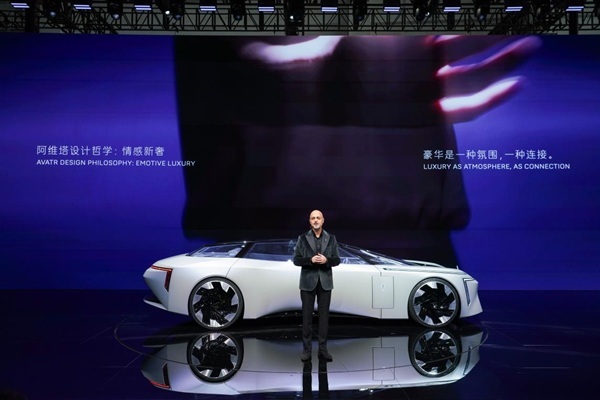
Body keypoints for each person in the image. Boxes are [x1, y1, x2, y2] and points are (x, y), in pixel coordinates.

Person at [293, 210, 341, 362]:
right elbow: (296, 260)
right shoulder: (302, 238)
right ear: (309, 221)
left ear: (323, 220)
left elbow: (337, 260)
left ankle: (323, 350)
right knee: (307, 318)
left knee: (324, 318)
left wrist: (327, 260)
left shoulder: (331, 238)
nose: (315, 220)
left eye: (318, 218)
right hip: (307, 282)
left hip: (325, 282)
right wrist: (310, 260)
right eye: (313, 218)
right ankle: (306, 350)